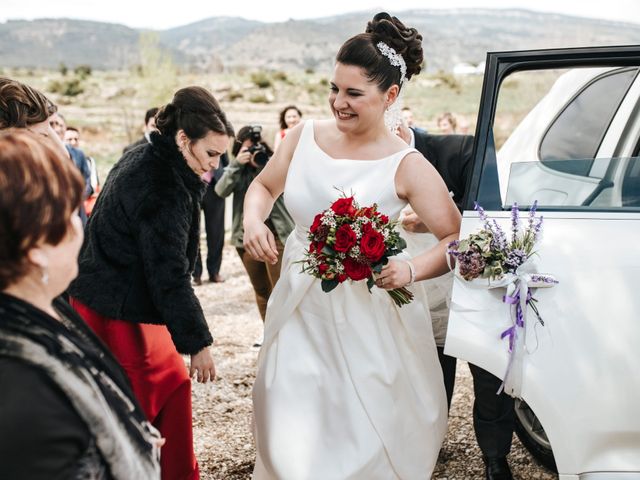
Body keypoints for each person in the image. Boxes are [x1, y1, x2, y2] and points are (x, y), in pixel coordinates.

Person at [243, 12, 461, 478]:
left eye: (353, 94)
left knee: (363, 434)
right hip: (301, 306)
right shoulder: (302, 138)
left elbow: (455, 236)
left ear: (391, 96)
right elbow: (262, 187)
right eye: (334, 89)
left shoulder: (407, 164)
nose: (338, 103)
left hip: (374, 316)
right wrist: (252, 220)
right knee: (288, 419)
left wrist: (412, 270)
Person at [68, 86, 233, 480]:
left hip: (102, 297)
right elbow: (170, 274)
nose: (213, 166)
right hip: (121, 312)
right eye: (210, 154)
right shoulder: (165, 187)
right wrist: (198, 344)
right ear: (183, 139)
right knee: (138, 404)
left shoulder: (142, 155)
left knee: (167, 390)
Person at [0, 130, 161, 479]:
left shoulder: (36, 314)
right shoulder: (26, 393)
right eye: (69, 214)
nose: (79, 229)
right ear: (35, 247)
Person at [398, 123, 516, 480]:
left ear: (400, 127)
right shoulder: (371, 164)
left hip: (475, 286)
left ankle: (496, 456)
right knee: (429, 376)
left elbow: (493, 218)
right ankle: (428, 447)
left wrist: (436, 223)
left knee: (490, 376)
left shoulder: (461, 150)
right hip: (416, 290)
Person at [214, 125, 294, 335]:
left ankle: (286, 335)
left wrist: (266, 164)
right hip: (247, 239)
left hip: (277, 236)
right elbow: (220, 190)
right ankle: (270, 335)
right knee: (262, 290)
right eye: (247, 150)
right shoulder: (237, 170)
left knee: (281, 290)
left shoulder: (272, 164)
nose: (252, 154)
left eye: (255, 149)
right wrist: (236, 166)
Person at [193, 153, 228, 285]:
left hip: (215, 187)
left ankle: (214, 272)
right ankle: (195, 274)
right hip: (192, 186)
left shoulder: (218, 133)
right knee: (192, 231)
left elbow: (225, 161)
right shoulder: (187, 134)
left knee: (216, 232)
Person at [65, 126, 100, 216]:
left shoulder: (88, 161)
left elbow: (91, 183)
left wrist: (79, 198)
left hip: (83, 206)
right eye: (69, 139)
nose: (73, 142)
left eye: (76, 139)